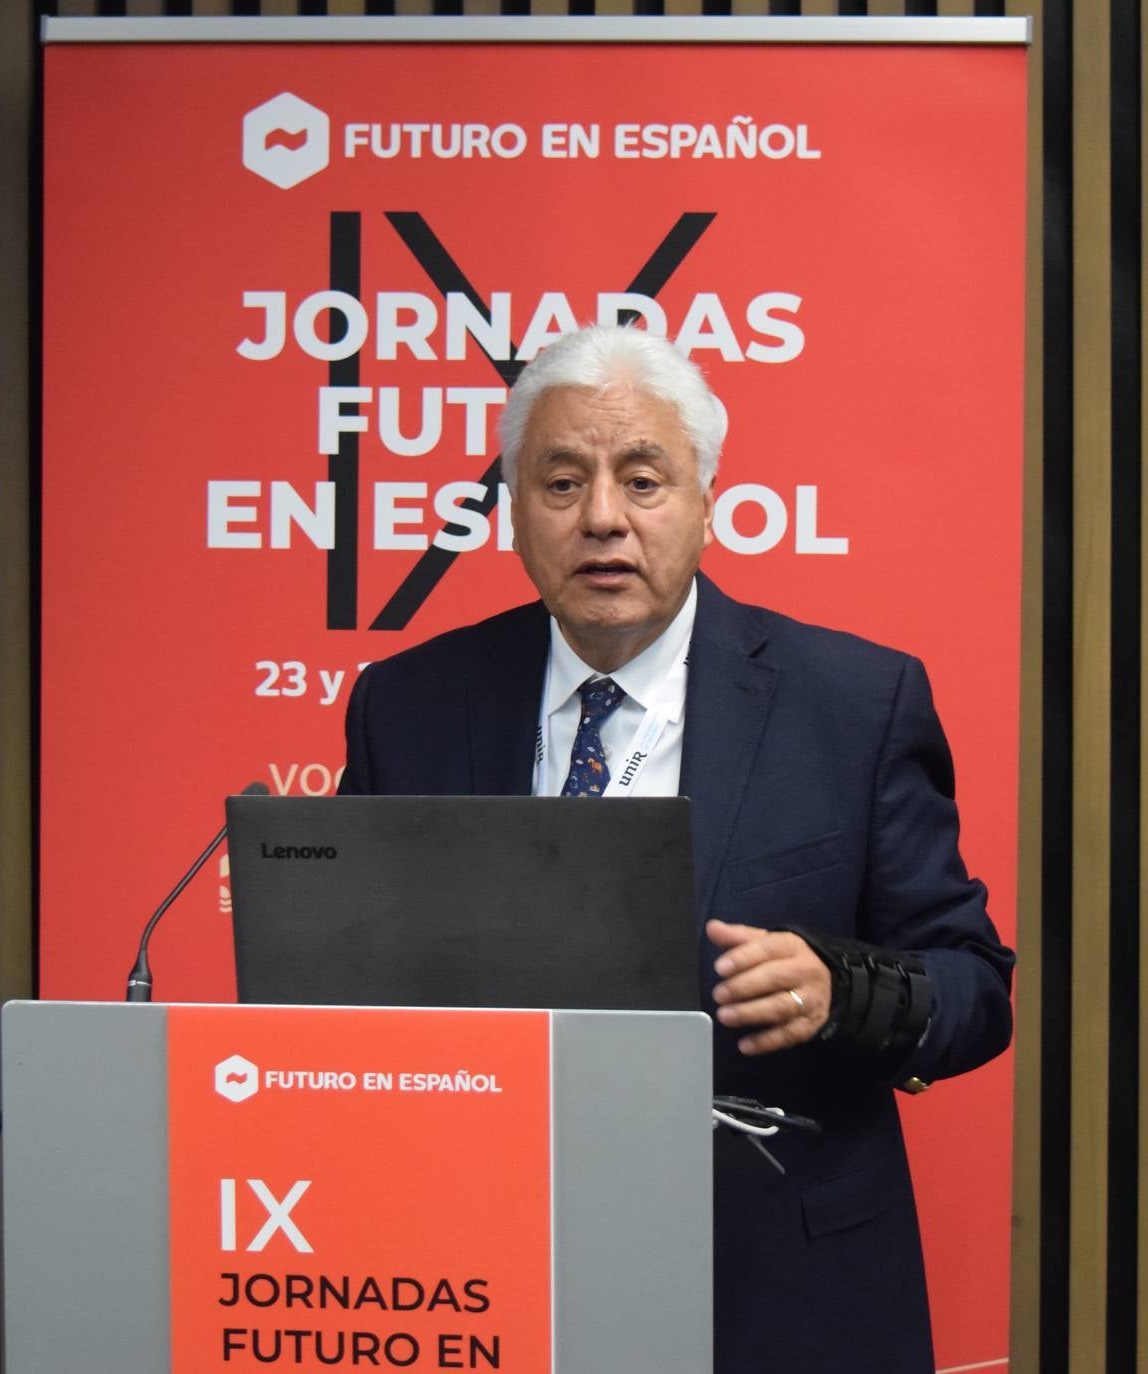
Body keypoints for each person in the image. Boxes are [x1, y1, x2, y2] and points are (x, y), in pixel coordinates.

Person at [338, 323, 1014, 1374]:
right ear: (513, 509)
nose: (603, 518)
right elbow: (355, 1004)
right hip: (479, 1278)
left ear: (706, 498)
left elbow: (974, 985)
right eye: (561, 483)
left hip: (777, 1289)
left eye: (642, 480)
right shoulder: (411, 705)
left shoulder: (853, 705)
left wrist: (845, 992)